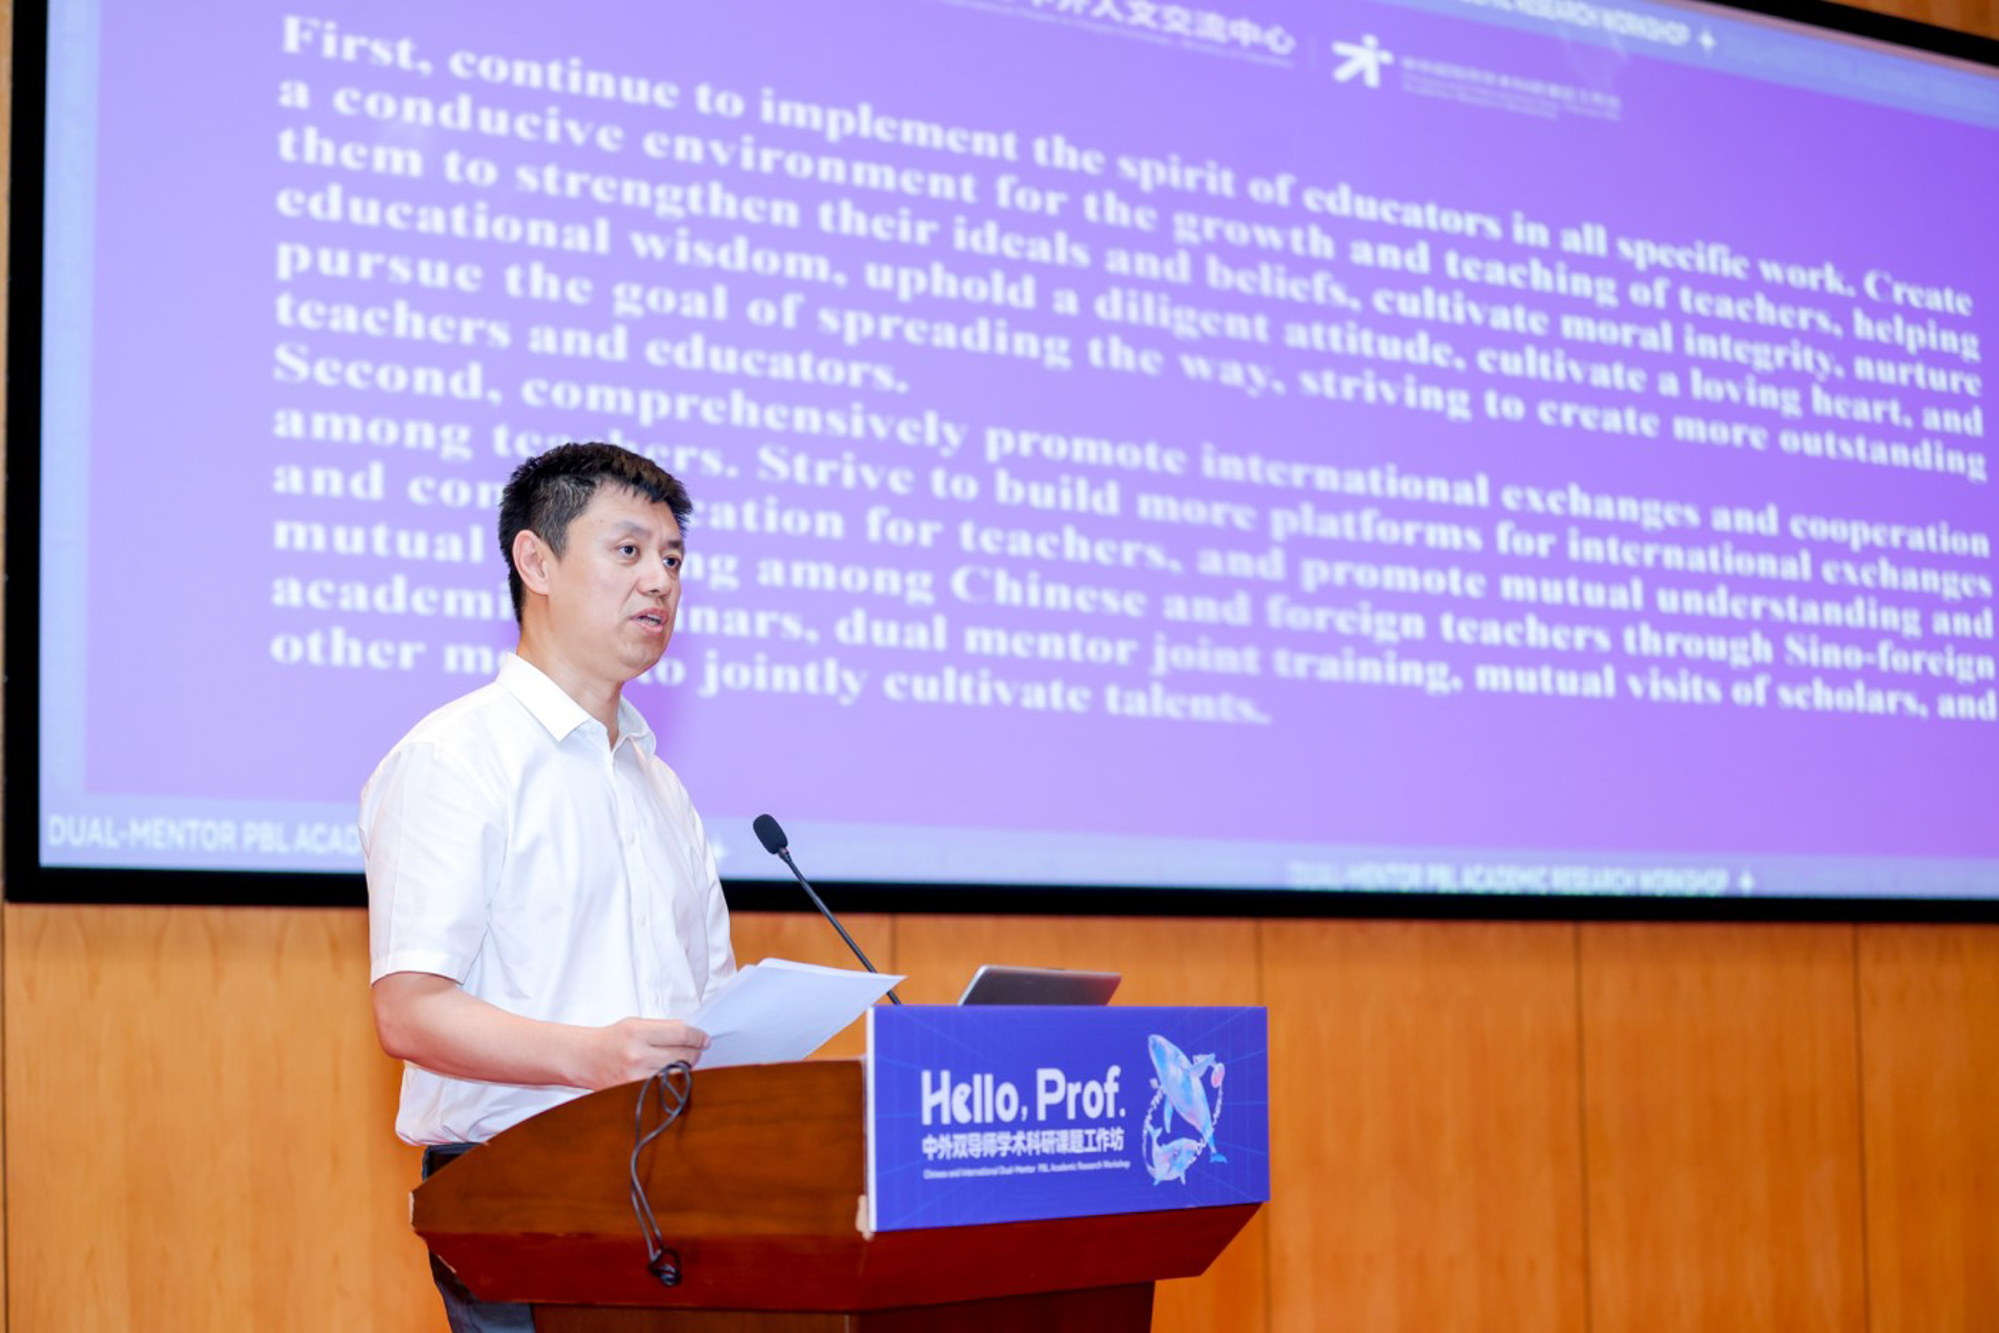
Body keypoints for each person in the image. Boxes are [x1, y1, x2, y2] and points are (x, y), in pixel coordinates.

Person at [361, 442, 735, 1332]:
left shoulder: (659, 784)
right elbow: (408, 1011)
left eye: (672, 557)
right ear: (535, 561)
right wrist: (592, 1057)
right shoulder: (455, 758)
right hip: (521, 1191)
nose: (660, 580)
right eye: (628, 549)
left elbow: (711, 1004)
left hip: (675, 1192)